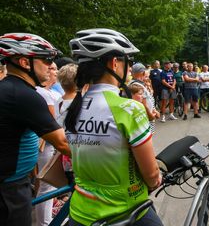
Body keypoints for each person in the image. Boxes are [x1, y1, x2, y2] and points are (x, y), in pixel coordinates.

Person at [64, 28, 162, 225]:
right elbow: (151, 175)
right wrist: (156, 179)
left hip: (80, 213)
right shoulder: (128, 108)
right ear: (114, 63)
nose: (130, 67)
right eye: (128, 61)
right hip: (124, 212)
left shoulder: (71, 107)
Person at [0, 33, 71, 226]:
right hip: (9, 190)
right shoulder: (23, 95)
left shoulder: (8, 88)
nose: (51, 65)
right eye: (46, 59)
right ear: (24, 62)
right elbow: (63, 143)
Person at [35, 61, 62, 226]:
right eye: (52, 68)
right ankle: (44, 223)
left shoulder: (49, 91)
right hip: (48, 144)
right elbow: (53, 121)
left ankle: (45, 220)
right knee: (46, 187)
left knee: (46, 186)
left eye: (55, 68)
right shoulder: (43, 93)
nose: (54, 72)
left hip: (49, 144)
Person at [129, 63, 160, 127]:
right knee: (148, 135)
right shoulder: (136, 85)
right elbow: (143, 104)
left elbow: (148, 100)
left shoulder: (138, 84)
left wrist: (154, 110)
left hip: (146, 117)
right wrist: (151, 116)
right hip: (145, 119)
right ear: (142, 73)